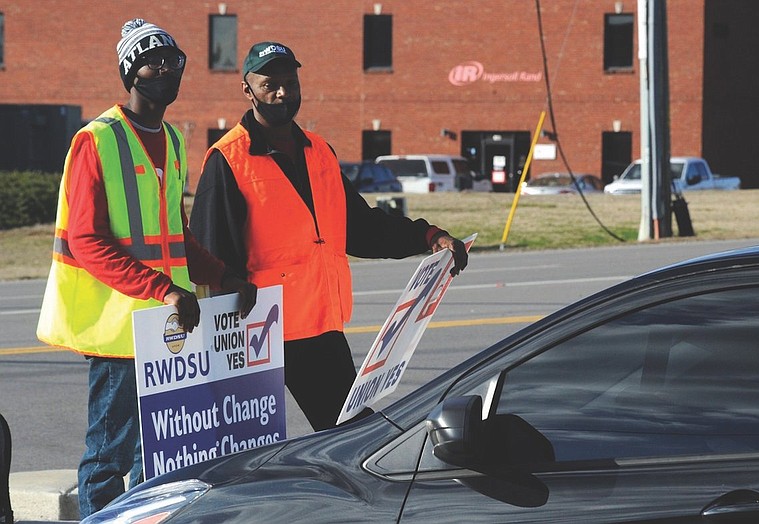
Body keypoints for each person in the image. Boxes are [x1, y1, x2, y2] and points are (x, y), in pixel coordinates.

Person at [36, 19, 257, 519]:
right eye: (151, 61)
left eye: (172, 62)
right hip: (117, 332)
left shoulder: (174, 142)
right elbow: (86, 240)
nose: (164, 70)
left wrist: (222, 277)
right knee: (108, 458)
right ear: (130, 72)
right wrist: (164, 290)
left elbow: (175, 236)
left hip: (166, 328)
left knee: (156, 457)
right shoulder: (97, 140)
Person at [189, 41, 468, 432]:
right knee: (241, 448)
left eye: (290, 82)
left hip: (318, 328)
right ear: (247, 90)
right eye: (270, 84)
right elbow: (208, 252)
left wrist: (427, 236)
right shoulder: (228, 159)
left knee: (351, 435)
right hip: (254, 331)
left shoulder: (319, 152)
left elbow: (361, 228)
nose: (283, 92)